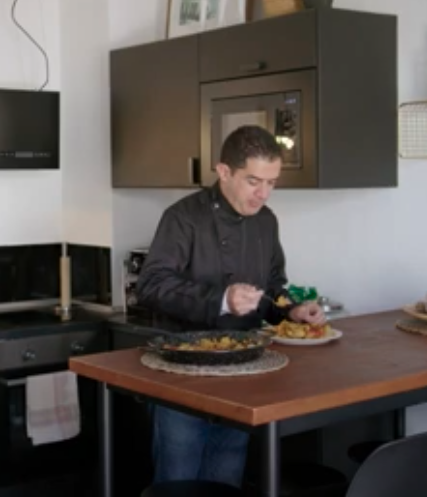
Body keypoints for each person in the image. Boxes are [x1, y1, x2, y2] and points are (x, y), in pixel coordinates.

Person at [135, 125, 327, 488]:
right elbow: (151, 285)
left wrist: (292, 310)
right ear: (223, 171)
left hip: (243, 370)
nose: (263, 194)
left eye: (271, 183)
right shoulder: (183, 217)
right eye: (254, 181)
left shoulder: (266, 221)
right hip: (183, 371)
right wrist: (222, 300)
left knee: (226, 477)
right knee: (178, 481)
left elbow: (274, 287)